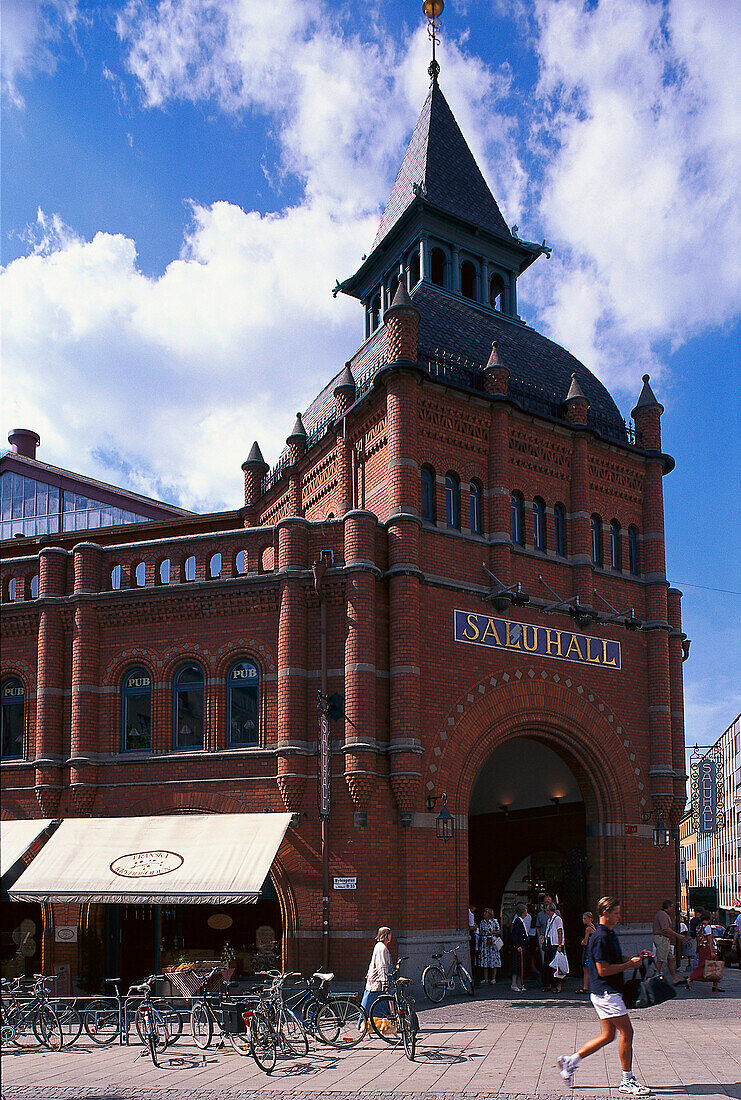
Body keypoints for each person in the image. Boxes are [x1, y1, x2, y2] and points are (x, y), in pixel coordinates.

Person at [557, 896, 652, 1095]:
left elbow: (614, 959)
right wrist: (628, 965)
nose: (619, 916)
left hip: (605, 992)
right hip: (607, 992)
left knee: (608, 1035)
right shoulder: (600, 937)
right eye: (616, 913)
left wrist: (636, 957)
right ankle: (627, 1080)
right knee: (628, 1032)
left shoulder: (608, 933)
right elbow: (603, 970)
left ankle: (570, 1061)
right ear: (605, 913)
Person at [360, 927, 393, 1023]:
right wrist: (384, 982)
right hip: (378, 982)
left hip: (376, 981)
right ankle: (364, 1024)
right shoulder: (382, 948)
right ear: (386, 936)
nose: (391, 936)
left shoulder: (379, 946)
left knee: (371, 1005)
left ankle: (370, 1025)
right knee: (371, 1004)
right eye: (390, 934)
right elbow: (381, 966)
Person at [686, 911, 724, 993]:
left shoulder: (699, 927)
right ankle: (691, 978)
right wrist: (712, 951)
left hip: (700, 948)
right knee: (709, 964)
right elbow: (709, 939)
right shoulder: (707, 927)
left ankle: (715, 985)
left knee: (706, 964)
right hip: (707, 947)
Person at [652, 900, 684, 985]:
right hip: (662, 938)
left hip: (664, 939)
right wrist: (678, 935)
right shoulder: (662, 914)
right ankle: (654, 977)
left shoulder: (663, 914)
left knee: (670, 958)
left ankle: (674, 978)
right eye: (672, 907)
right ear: (668, 907)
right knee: (661, 958)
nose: (673, 909)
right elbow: (665, 928)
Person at [541, 902, 565, 993]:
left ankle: (558, 985)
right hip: (549, 943)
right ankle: (549, 984)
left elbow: (560, 932)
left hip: (555, 944)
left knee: (556, 965)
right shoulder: (549, 920)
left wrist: (559, 945)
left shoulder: (557, 919)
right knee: (548, 964)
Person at [477, 906, 501, 984]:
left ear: (489, 914)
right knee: (485, 960)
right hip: (485, 942)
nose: (484, 913)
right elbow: (479, 933)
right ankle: (485, 978)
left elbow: (499, 931)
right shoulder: (482, 922)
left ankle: (493, 978)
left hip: (492, 941)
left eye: (486, 912)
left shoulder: (494, 921)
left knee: (493, 959)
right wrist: (480, 930)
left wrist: (492, 932)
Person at [510, 902, 529, 992]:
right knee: (516, 966)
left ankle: (519, 984)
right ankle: (514, 984)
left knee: (520, 966)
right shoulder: (517, 922)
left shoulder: (521, 921)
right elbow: (515, 935)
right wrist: (517, 946)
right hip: (518, 948)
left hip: (522, 947)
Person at [577, 911, 596, 993]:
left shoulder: (588, 929)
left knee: (586, 969)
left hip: (588, 950)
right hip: (592, 950)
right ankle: (588, 987)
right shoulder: (594, 927)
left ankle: (586, 987)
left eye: (585, 918)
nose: (583, 920)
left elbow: (585, 941)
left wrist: (582, 941)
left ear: (590, 919)